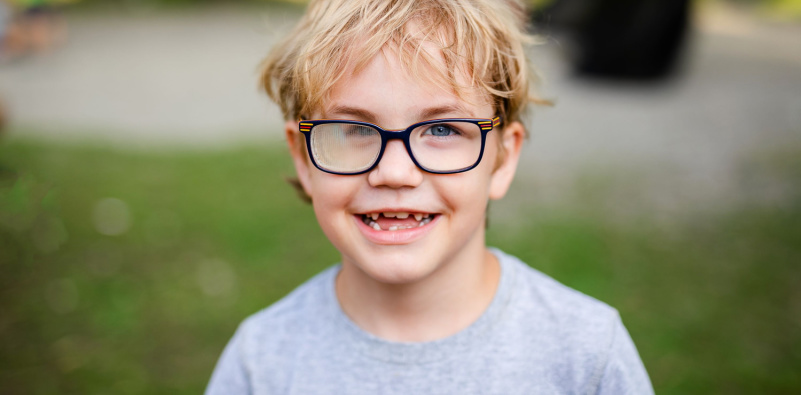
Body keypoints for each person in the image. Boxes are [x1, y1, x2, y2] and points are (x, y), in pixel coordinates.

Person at [206, 0, 653, 393]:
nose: (395, 172)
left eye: (442, 129)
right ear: (304, 158)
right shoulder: (261, 360)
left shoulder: (586, 355)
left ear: (503, 158)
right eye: (356, 129)